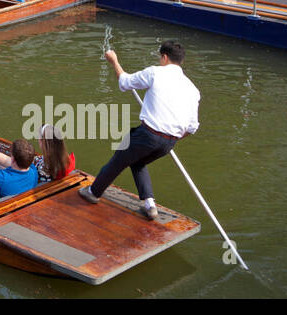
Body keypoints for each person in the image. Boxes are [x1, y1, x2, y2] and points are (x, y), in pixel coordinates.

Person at [80, 41, 200, 221]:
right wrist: (168, 138)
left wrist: (114, 61)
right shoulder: (192, 89)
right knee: (137, 162)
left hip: (149, 135)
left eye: (160, 57)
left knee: (118, 160)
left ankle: (93, 192)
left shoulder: (155, 73)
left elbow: (125, 82)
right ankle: (149, 204)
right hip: (170, 142)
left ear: (164, 57)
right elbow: (192, 127)